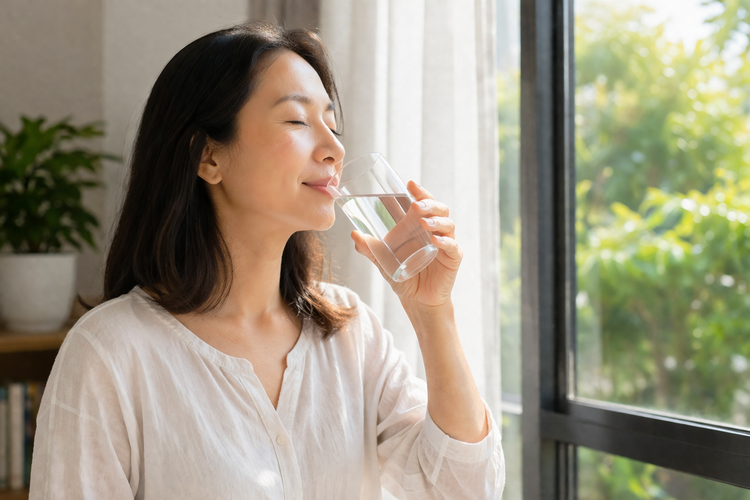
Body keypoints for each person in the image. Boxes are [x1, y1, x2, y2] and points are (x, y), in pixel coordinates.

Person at [29, 22, 505, 499]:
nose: (335, 149)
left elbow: (466, 488)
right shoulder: (109, 353)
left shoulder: (350, 336)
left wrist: (432, 314)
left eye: (333, 126)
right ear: (208, 157)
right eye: (298, 121)